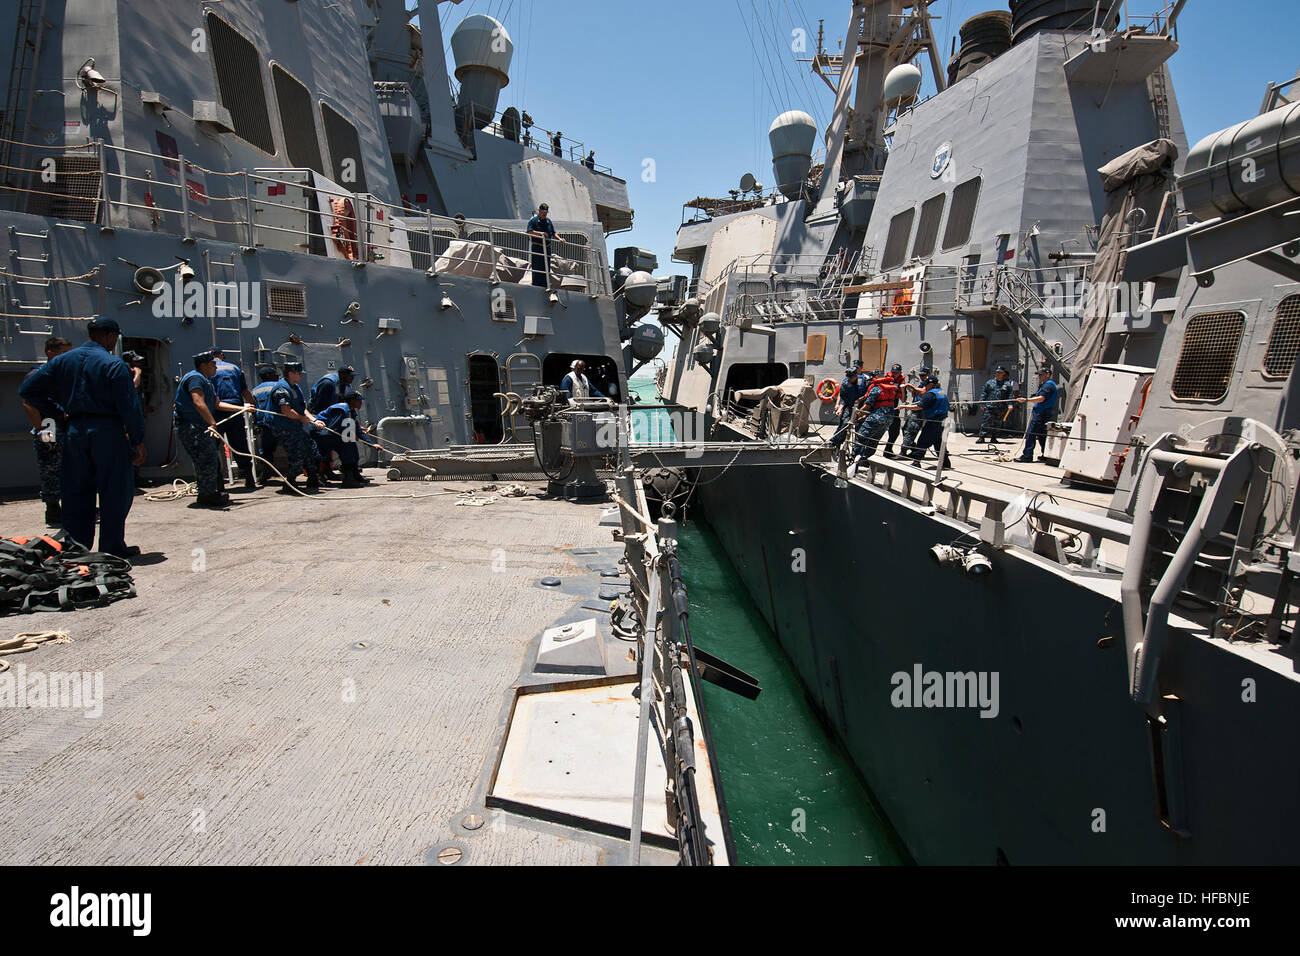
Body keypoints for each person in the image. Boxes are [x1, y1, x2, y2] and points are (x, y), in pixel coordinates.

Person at [18, 317, 146, 558]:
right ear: (110, 336)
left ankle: (77, 547)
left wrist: (59, 413)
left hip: (74, 430)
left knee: (76, 489)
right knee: (115, 489)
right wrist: (137, 440)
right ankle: (112, 547)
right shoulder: (113, 364)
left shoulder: (62, 361)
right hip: (107, 431)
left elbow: (28, 390)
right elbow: (130, 407)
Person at [174, 351, 254, 508]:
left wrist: (243, 408)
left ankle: (208, 492)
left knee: (209, 458)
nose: (216, 367)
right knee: (206, 458)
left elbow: (217, 404)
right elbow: (198, 401)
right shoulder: (195, 378)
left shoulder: (206, 381)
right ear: (203, 365)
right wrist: (212, 423)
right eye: (213, 364)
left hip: (198, 425)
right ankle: (207, 495)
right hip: (192, 426)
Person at [21, 336, 73, 525]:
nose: (68, 357)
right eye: (64, 353)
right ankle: (53, 510)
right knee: (50, 468)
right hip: (49, 423)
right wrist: (40, 429)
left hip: (64, 424)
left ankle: (70, 508)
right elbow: (28, 402)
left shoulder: (62, 374)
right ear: (50, 353)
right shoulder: (40, 374)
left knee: (71, 468)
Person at [261, 360, 325, 494]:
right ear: (291, 373)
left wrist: (314, 420)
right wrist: (303, 419)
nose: (301, 376)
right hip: (283, 427)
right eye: (299, 373)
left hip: (294, 426)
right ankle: (290, 482)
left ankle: (312, 477)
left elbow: (302, 409)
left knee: (310, 448)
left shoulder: (295, 387)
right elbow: (286, 411)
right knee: (297, 454)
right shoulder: (282, 389)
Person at [210, 349, 258, 490]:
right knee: (240, 445)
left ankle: (218, 484)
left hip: (217, 410)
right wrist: (253, 406)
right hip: (237, 410)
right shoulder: (234, 368)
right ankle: (249, 479)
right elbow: (245, 391)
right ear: (221, 356)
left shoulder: (208, 370)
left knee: (213, 448)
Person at [313, 393, 376, 488]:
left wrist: (372, 444)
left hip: (333, 434)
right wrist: (350, 435)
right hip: (322, 434)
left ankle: (354, 475)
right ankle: (348, 479)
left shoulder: (351, 412)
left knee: (351, 448)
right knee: (346, 448)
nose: (361, 403)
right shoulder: (341, 410)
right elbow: (334, 428)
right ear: (352, 401)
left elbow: (357, 431)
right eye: (359, 401)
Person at [899, 375, 952, 469]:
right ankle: (946, 463)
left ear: (930, 384)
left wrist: (904, 407)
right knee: (939, 443)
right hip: (943, 421)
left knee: (922, 442)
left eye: (925, 385)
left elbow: (919, 406)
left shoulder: (930, 394)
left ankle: (916, 462)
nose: (924, 387)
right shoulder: (941, 392)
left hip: (933, 422)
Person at [853, 368, 903, 460]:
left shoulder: (876, 388)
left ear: (875, 377)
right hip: (888, 420)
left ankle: (853, 459)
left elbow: (867, 406)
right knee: (874, 441)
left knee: (860, 438)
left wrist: (855, 417)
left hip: (875, 418)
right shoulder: (891, 389)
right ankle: (866, 459)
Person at [1015, 366, 1060, 463]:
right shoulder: (1047, 384)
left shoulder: (1048, 385)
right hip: (1044, 412)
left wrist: (1026, 400)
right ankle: (1047, 455)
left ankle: (1027, 455)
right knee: (1042, 435)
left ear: (1048, 375)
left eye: (1041, 375)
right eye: (1039, 375)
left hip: (1041, 413)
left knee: (1031, 434)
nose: (1039, 376)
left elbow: (1041, 398)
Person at [251, 366, 282, 485]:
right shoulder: (279, 386)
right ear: (270, 376)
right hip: (280, 423)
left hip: (264, 424)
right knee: (292, 447)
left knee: (265, 450)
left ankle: (265, 472)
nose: (277, 376)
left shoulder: (255, 390)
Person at [829, 361, 866, 448]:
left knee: (860, 430)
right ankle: (835, 443)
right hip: (849, 407)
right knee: (844, 424)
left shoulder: (863, 381)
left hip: (861, 408)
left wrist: (865, 411)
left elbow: (868, 394)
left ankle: (856, 450)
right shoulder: (845, 383)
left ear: (856, 376)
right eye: (848, 377)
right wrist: (840, 408)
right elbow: (843, 397)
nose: (849, 379)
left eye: (851, 378)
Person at [976, 366, 1015, 445]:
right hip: (990, 406)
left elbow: (1010, 396)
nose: (998, 374)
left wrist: (1010, 404)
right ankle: (982, 437)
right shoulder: (989, 383)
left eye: (1000, 373)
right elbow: (984, 393)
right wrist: (982, 403)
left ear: (1003, 373)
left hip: (1000, 407)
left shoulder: (1007, 384)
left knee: (997, 423)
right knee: (986, 421)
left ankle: (994, 437)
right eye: (997, 372)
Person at [526, 203, 558, 289]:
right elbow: (529, 231)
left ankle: (545, 286)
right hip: (537, 247)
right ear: (539, 211)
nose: (544, 214)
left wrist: (560, 238)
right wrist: (541, 234)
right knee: (537, 267)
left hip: (547, 248)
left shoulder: (548, 221)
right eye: (543, 212)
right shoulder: (533, 221)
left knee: (546, 268)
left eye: (546, 213)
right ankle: (536, 286)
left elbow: (553, 232)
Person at [880, 363, 909, 457]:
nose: (894, 374)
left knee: (895, 431)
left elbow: (903, 400)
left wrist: (903, 389)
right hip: (883, 408)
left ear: (900, 372)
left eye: (896, 373)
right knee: (878, 431)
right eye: (893, 372)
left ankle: (888, 450)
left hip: (894, 409)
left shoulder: (901, 383)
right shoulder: (886, 380)